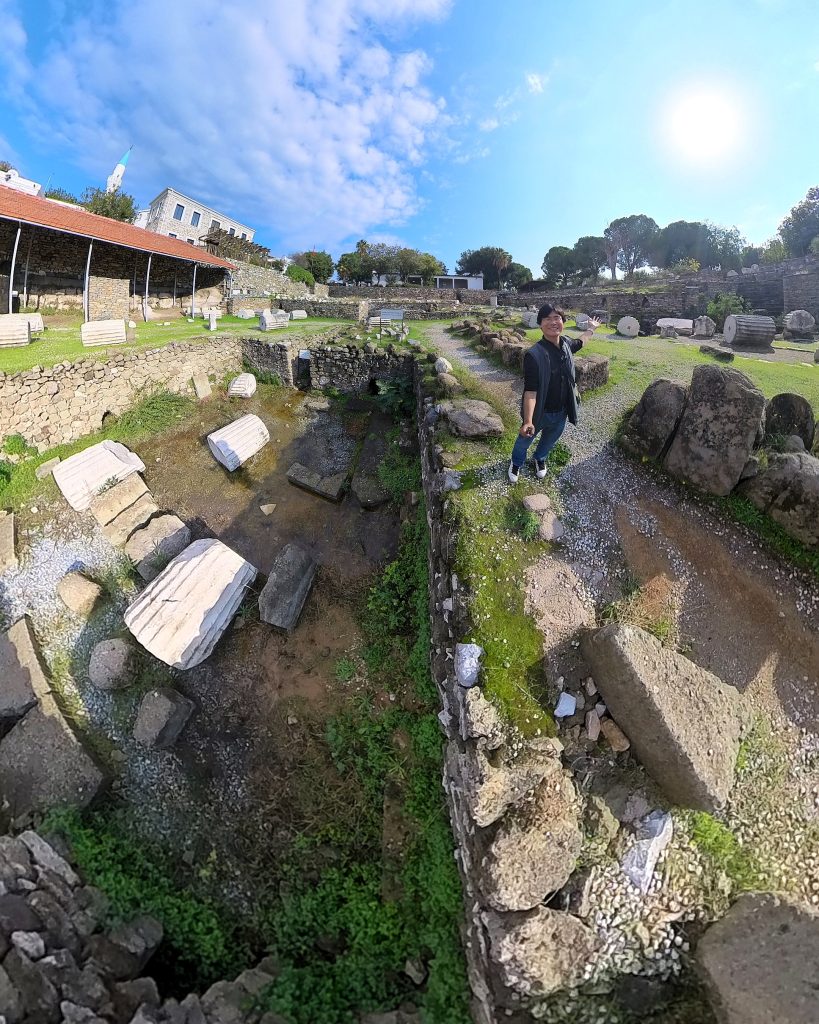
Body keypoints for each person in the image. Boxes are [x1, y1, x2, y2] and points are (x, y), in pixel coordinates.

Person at [508, 304, 599, 483]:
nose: (553, 322)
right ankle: (516, 462)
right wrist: (528, 420)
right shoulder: (533, 355)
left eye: (557, 318)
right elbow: (530, 391)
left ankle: (539, 458)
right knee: (524, 440)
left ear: (563, 321)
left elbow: (580, 342)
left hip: (562, 410)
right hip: (540, 412)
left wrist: (591, 329)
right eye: (547, 319)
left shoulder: (566, 344)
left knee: (550, 440)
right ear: (540, 324)